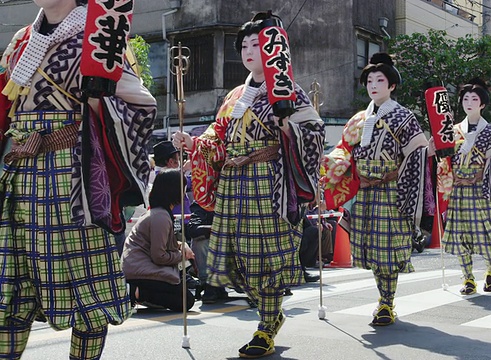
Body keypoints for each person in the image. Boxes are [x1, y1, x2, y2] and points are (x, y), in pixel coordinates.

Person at [0, 1, 157, 359]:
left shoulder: (101, 35)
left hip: (74, 178)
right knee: (10, 286)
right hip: (17, 176)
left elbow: (141, 106)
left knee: (87, 291)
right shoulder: (21, 39)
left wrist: (100, 100)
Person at [172, 12, 324, 358]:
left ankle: (266, 324)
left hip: (268, 181)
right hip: (233, 183)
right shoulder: (234, 95)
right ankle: (270, 313)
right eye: (243, 45)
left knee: (264, 259)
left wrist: (287, 127)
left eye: (257, 43)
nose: (249, 50)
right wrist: (194, 144)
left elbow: (314, 134)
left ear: (274, 50)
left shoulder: (290, 91)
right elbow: (216, 136)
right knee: (235, 259)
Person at [323, 53, 433, 325]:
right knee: (371, 248)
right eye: (369, 80)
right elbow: (343, 151)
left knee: (386, 249)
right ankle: (383, 297)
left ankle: (387, 302)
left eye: (380, 80)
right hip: (365, 192)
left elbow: (417, 153)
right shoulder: (359, 118)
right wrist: (326, 166)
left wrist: (405, 170)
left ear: (392, 85)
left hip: (391, 190)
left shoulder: (404, 117)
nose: (373, 85)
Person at [440, 79, 491, 296]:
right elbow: (445, 161)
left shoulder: (489, 131)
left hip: (481, 189)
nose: (469, 102)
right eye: (466, 98)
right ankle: (468, 278)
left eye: (474, 99)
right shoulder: (453, 130)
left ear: (482, 104)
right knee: (461, 234)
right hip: (459, 190)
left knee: (485, 232)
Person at [121, 169, 196, 312]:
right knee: (185, 301)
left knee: (184, 297)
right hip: (141, 270)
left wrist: (182, 246)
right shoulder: (161, 217)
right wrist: (182, 256)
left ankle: (140, 294)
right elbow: (159, 256)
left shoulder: (159, 213)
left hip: (138, 267)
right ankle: (136, 292)